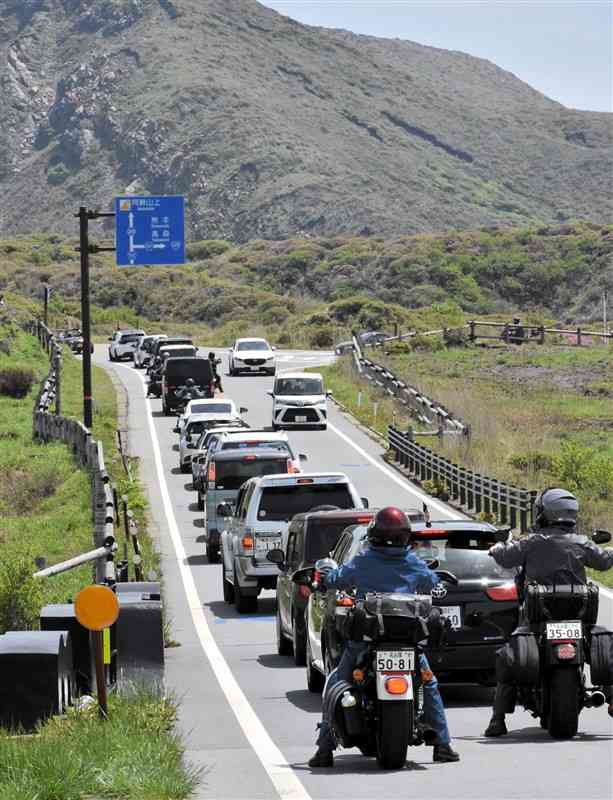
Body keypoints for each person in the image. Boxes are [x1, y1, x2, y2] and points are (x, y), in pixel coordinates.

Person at [308, 506, 460, 768]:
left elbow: (336, 579)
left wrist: (323, 580)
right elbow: (432, 583)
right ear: (405, 536)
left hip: (367, 640)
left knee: (337, 680)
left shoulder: (363, 561)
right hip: (407, 642)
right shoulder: (412, 562)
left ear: (375, 534)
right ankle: (443, 745)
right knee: (429, 683)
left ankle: (324, 749)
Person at [484, 487, 613, 737]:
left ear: (543, 512)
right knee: (597, 645)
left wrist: (496, 547)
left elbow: (505, 558)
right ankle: (611, 696)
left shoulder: (531, 542)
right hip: (578, 614)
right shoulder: (581, 542)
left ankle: (497, 719)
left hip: (538, 614)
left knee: (510, 654)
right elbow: (604, 561)